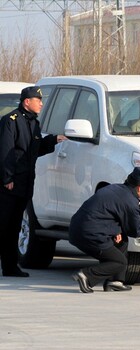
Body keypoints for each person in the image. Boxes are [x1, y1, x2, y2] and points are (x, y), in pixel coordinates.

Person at [0, 86, 67, 277]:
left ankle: (10, 266)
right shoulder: (11, 121)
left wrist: (54, 140)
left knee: (13, 227)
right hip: (10, 184)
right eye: (38, 100)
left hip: (25, 183)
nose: (42, 103)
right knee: (3, 225)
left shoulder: (33, 123)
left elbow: (34, 150)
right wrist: (7, 178)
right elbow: (5, 151)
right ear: (27, 102)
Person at [69, 167, 140, 293]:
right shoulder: (130, 201)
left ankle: (115, 282)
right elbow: (135, 231)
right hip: (89, 235)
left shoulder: (115, 189)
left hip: (77, 229)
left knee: (122, 241)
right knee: (120, 262)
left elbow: (107, 214)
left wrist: (117, 230)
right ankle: (86, 276)